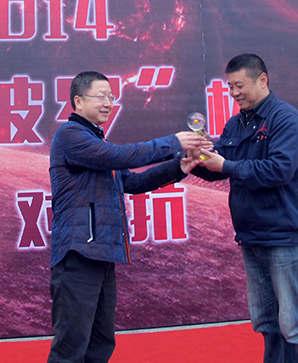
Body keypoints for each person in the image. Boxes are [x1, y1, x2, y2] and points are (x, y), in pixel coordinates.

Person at [47, 70, 212, 363]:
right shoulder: (70, 136)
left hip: (102, 254)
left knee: (99, 345)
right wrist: (173, 142)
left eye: (111, 97)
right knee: (71, 349)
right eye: (101, 96)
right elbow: (122, 156)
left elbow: (132, 183)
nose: (108, 103)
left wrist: (178, 167)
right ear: (78, 101)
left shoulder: (98, 142)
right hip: (78, 254)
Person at [190, 53, 298, 363]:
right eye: (230, 87)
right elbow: (218, 167)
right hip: (252, 237)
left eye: (240, 85)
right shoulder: (236, 123)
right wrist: (195, 159)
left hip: (287, 237)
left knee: (297, 326)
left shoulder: (286, 119)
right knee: (268, 324)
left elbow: (279, 170)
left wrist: (225, 165)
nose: (234, 93)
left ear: (262, 80)